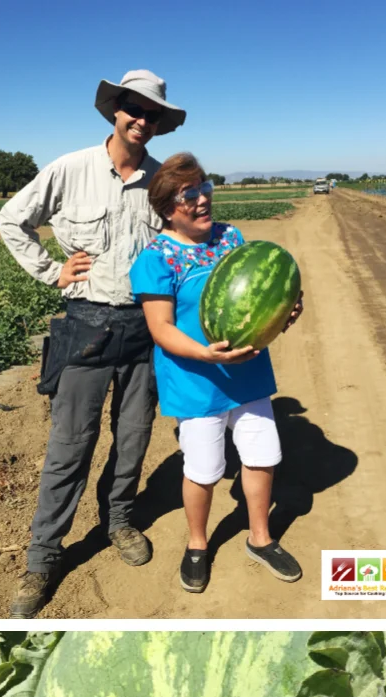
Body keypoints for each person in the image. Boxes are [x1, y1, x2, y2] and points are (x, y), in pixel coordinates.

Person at [0, 69, 186, 618]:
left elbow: (184, 247)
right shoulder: (70, 169)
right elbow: (12, 220)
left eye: (152, 114)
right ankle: (43, 558)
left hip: (145, 329)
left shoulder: (161, 181)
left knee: (133, 438)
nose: (141, 120)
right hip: (85, 326)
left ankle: (120, 520)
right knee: (70, 446)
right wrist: (51, 271)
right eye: (134, 109)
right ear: (115, 111)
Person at [129, 152, 304, 593]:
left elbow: (257, 297)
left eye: (205, 189)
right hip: (195, 383)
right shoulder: (156, 259)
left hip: (248, 376)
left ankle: (260, 538)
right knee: (205, 469)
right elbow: (162, 329)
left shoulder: (232, 237)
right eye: (191, 195)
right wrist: (208, 355)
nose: (203, 200)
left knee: (262, 457)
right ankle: (197, 545)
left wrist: (283, 310)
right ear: (169, 207)